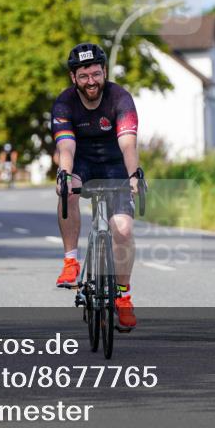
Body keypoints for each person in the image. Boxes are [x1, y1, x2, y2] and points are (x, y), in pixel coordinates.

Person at [51, 42, 140, 330]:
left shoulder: (120, 98)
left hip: (115, 164)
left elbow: (128, 144)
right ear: (73, 77)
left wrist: (133, 175)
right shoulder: (64, 103)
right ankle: (70, 261)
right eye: (84, 75)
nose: (91, 81)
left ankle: (123, 296)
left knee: (123, 229)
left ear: (104, 72)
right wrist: (65, 175)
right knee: (67, 189)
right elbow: (66, 147)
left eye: (96, 74)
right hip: (81, 162)